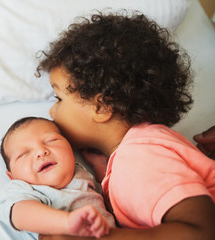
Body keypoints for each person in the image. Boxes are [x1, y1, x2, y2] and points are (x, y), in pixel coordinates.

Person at [36, 11, 215, 240]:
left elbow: (203, 231)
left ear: (102, 108)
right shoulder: (134, 152)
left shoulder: (140, 157)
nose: (52, 112)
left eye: (58, 98)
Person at [0, 117, 115, 240]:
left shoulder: (82, 172)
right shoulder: (23, 188)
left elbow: (107, 198)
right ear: (13, 177)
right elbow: (20, 214)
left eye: (51, 141)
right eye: (24, 154)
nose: (40, 152)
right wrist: (67, 222)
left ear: (70, 148)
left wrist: (99, 165)